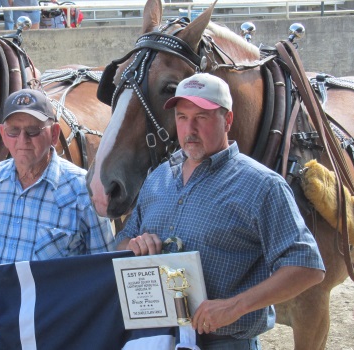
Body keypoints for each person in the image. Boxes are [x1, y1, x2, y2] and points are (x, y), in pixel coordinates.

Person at [115, 73, 325, 349]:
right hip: (158, 337)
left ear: (227, 121)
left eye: (201, 117)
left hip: (225, 342)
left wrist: (233, 307)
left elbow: (307, 266)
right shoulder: (158, 178)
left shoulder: (261, 186)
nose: (190, 129)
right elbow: (121, 245)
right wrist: (135, 244)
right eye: (182, 117)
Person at [0, 89, 115, 267]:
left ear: (54, 134)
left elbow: (104, 267)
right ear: (3, 134)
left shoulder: (82, 192)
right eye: (14, 131)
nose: (23, 140)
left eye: (33, 131)